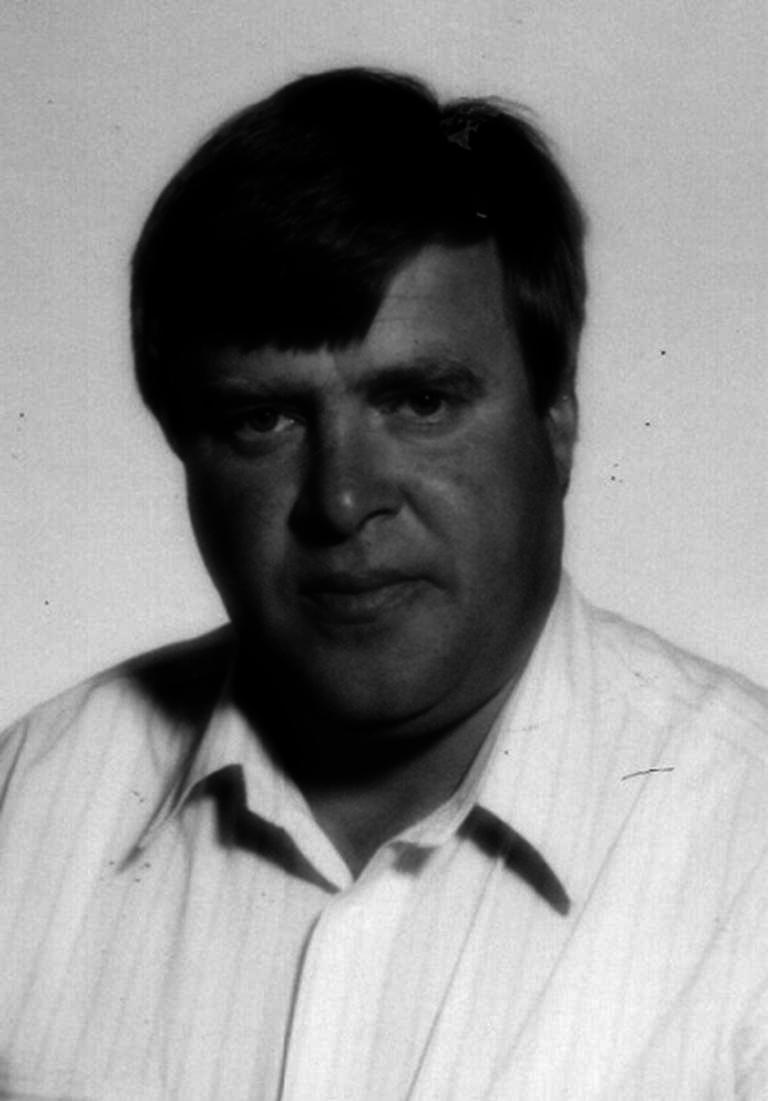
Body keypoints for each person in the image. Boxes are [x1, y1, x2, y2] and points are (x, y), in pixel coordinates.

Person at [1, 66, 766, 1101]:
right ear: (184, 450)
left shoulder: (748, 853)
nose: (343, 497)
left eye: (420, 402)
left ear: (557, 423)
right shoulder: (26, 811)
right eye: (263, 420)